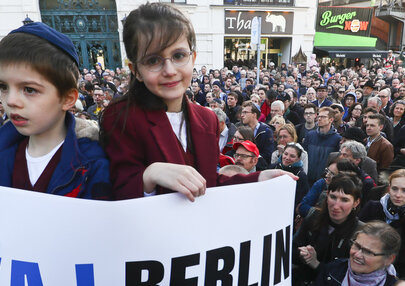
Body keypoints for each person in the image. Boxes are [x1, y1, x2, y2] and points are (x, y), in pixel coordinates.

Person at [100, 3, 294, 201]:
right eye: (153, 60)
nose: (169, 70)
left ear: (192, 58)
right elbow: (118, 195)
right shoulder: (120, 116)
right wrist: (149, 176)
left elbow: (208, 185)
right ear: (135, 70)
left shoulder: (207, 118)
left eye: (178, 56)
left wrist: (259, 178)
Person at [0, 22, 114, 254]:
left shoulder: (95, 163)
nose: (11, 101)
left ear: (68, 98)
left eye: (29, 89)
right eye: (3, 87)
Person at [292, 173, 363, 286]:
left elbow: (349, 276)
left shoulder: (360, 232)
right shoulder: (313, 217)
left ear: (356, 202)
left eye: (344, 200)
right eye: (333, 197)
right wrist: (302, 254)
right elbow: (292, 249)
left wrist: (317, 264)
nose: (336, 205)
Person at [303, 221, 399, 286]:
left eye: (368, 252)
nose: (357, 255)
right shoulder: (332, 270)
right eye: (356, 246)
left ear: (389, 259)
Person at [303, 107, 341, 184]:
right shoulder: (310, 135)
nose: (319, 119)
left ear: (331, 119)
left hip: (325, 180)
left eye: (323, 117)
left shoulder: (337, 139)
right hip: (308, 179)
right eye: (319, 116)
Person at [273, 144, 309, 208]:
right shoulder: (273, 167)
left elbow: (300, 199)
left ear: (298, 159)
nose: (287, 158)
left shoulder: (300, 175)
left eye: (292, 156)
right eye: (285, 154)